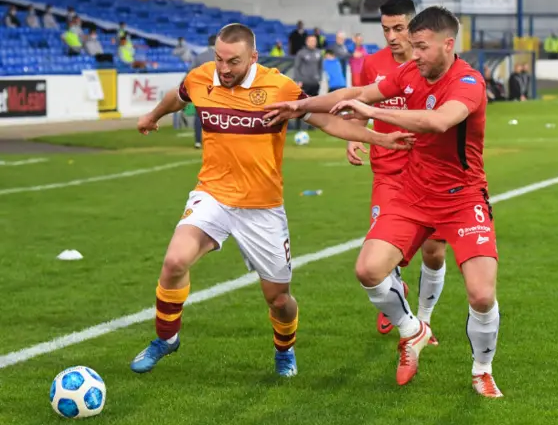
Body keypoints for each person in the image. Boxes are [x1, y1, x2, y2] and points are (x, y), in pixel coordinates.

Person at [130, 23, 415, 378]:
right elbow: (180, 94)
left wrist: (379, 139)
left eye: (232, 61)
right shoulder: (202, 77)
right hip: (213, 195)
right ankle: (166, 338)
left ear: (253, 57)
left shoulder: (279, 86)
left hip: (262, 208)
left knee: (278, 299)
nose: (223, 68)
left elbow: (325, 120)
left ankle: (284, 350)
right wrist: (153, 115)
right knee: (174, 262)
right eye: (219, 59)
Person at [264, 6, 502, 397]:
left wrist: (371, 113)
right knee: (369, 269)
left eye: (421, 47)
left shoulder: (468, 82)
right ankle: (414, 330)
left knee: (481, 294)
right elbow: (356, 93)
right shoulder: (410, 73)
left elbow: (439, 121)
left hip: (463, 198)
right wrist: (301, 105)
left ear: (448, 44)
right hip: (413, 192)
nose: (415, 54)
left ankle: (482, 369)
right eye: (412, 45)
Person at [343, 0, 448, 340]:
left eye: (399, 28)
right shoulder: (373, 64)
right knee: (380, 254)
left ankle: (424, 316)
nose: (391, 36)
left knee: (433, 252)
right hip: (387, 173)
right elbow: (361, 104)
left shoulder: (431, 66)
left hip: (429, 173)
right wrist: (352, 136)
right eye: (386, 29)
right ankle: (407, 316)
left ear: (414, 27)